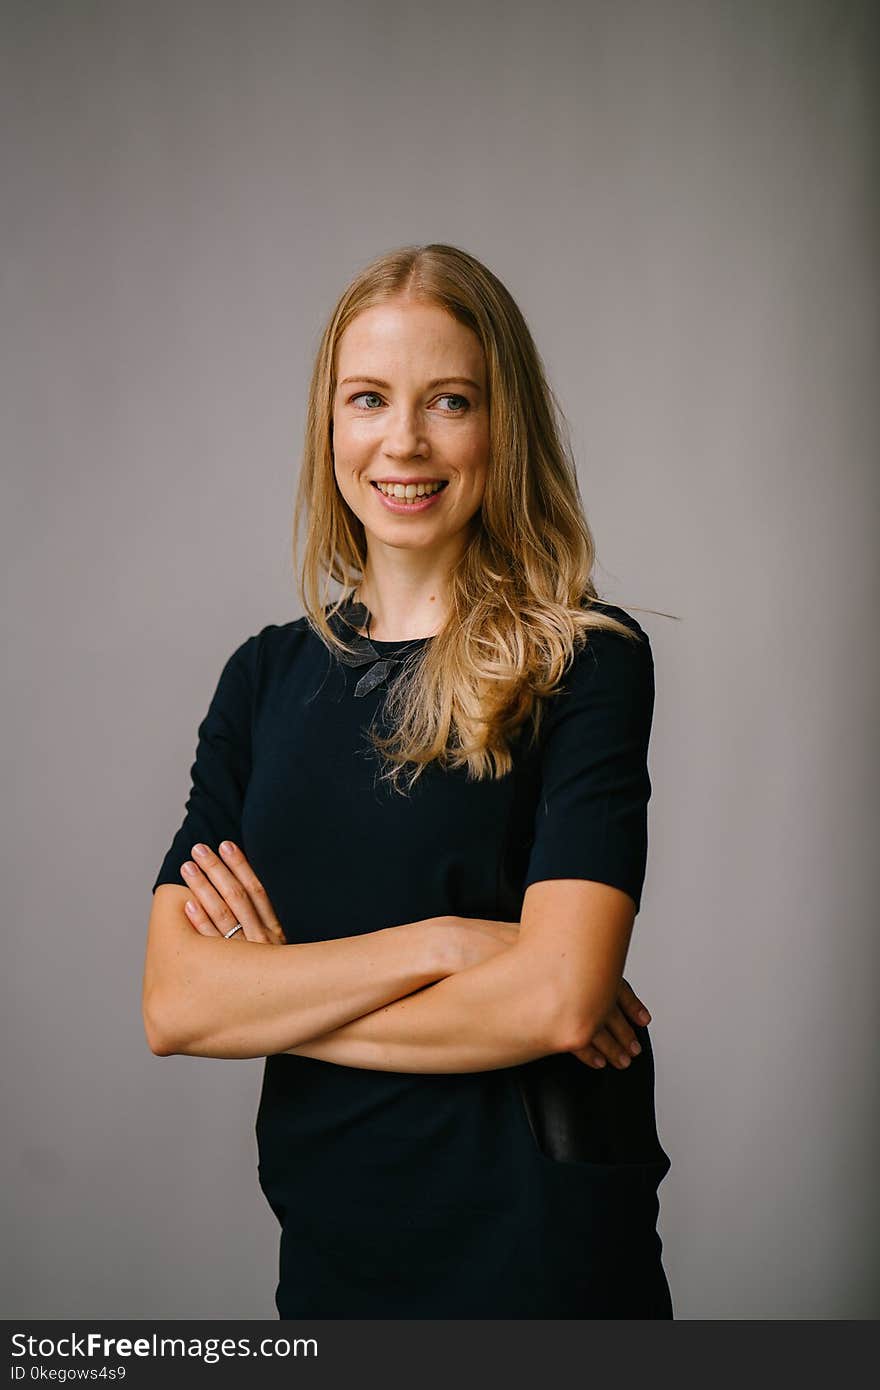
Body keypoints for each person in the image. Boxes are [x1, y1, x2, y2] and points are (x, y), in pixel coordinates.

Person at [144, 243, 674, 1319]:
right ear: (329, 427)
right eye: (370, 399)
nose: (405, 441)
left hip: (538, 1265)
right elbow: (176, 1001)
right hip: (332, 1258)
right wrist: (442, 945)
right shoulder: (262, 678)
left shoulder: (584, 660)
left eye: (450, 401)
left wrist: (275, 999)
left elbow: (557, 995)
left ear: (500, 427)